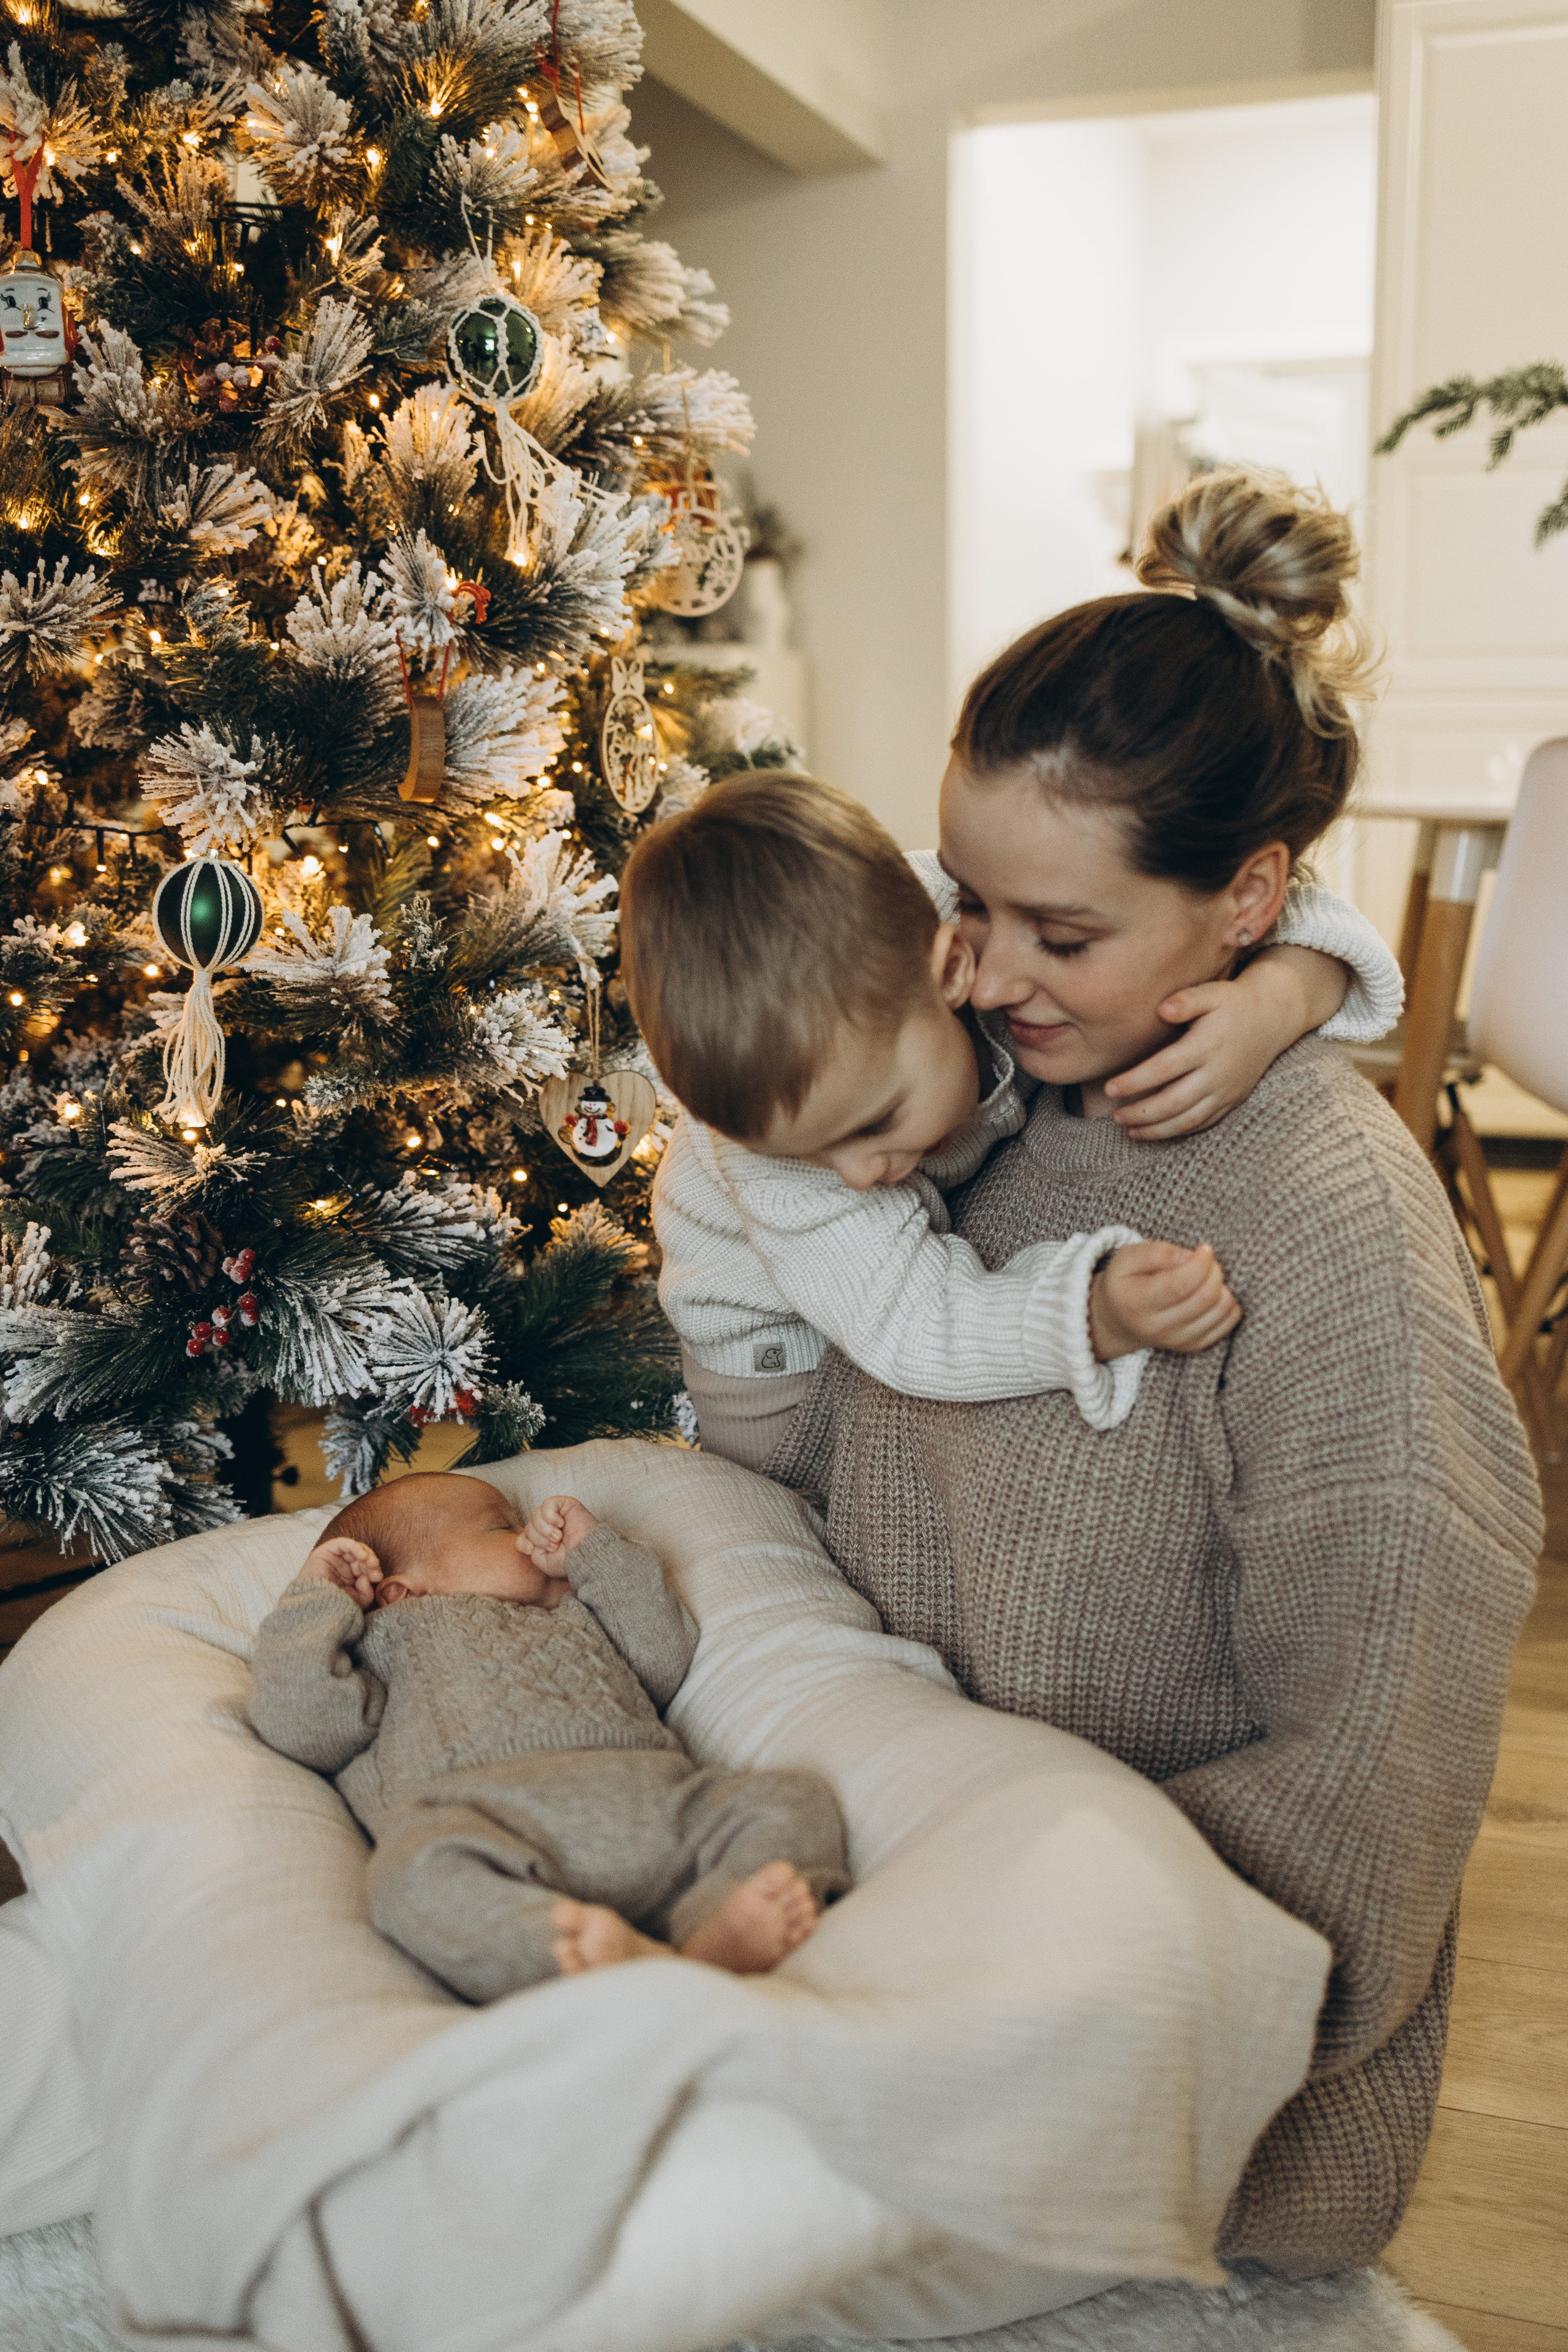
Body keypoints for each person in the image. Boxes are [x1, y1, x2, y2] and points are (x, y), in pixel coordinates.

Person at [764, 469, 1542, 2277]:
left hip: (1157, 2039)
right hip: (894, 1866)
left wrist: (1104, 1994)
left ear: (1247, 900)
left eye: (1065, 933)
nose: (985, 968)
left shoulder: (1325, 1212)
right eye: (972, 897)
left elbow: (1382, 1729)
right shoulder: (976, 1076)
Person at [622, 772, 1400, 1471]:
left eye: (875, 1121)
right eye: (812, 1154)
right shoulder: (781, 1172)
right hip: (779, 1385)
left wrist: (1277, 999)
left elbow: (1297, 902)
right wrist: (1093, 1312)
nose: (858, 1175)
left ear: (953, 970)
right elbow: (917, 1326)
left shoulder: (949, 922)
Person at [246, 1471, 848, 1996]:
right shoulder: (382, 1645)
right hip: (489, 1829)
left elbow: (663, 1656)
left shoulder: (578, 1612)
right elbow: (300, 1723)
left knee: (793, 1796)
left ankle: (709, 1925)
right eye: (500, 1528)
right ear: (400, 1591)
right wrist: (316, 1599)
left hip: (660, 1808)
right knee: (405, 1879)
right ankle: (561, 1950)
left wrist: (594, 1553)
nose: (528, 1535)